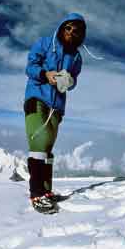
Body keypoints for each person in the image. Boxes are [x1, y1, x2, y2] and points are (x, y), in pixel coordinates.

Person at [24, 12, 86, 214]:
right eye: (68, 27)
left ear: (80, 34)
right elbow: (30, 66)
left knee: (48, 148)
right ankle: (36, 194)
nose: (71, 32)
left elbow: (74, 81)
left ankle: (46, 192)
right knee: (39, 143)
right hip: (36, 98)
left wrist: (69, 82)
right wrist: (45, 74)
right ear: (61, 28)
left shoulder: (76, 57)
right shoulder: (44, 44)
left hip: (57, 107)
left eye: (76, 30)